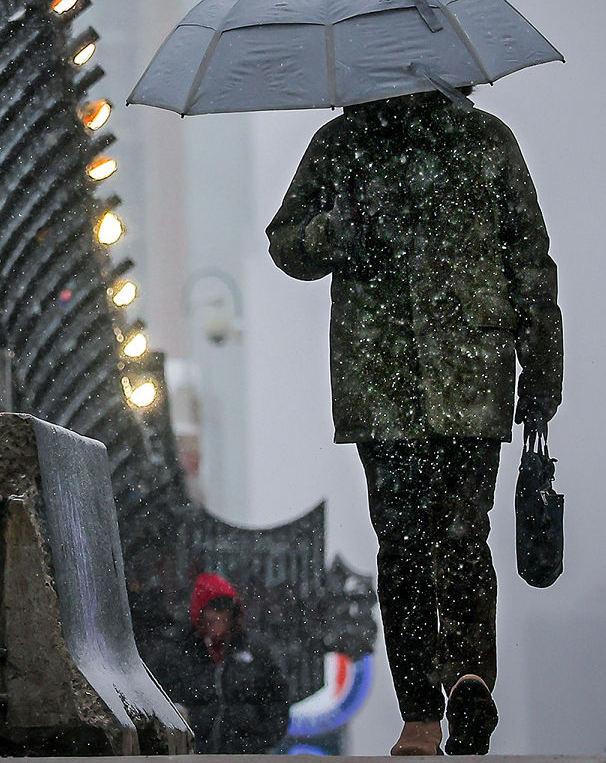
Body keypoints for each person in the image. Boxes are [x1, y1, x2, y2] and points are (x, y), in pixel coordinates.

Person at [267, 89, 563, 755]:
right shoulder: (488, 140)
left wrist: (337, 231)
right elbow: (532, 266)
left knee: (401, 548)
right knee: (462, 537)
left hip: (383, 382)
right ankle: (466, 674)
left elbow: (288, 244)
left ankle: (421, 717)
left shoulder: (344, 144)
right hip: (471, 376)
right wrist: (541, 376)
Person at [151, 572, 290, 754]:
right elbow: (159, 704)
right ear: (200, 612)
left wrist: (258, 737)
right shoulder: (176, 653)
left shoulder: (255, 653)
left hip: (245, 757)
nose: (220, 616)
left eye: (226, 608)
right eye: (214, 607)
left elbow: (277, 699)